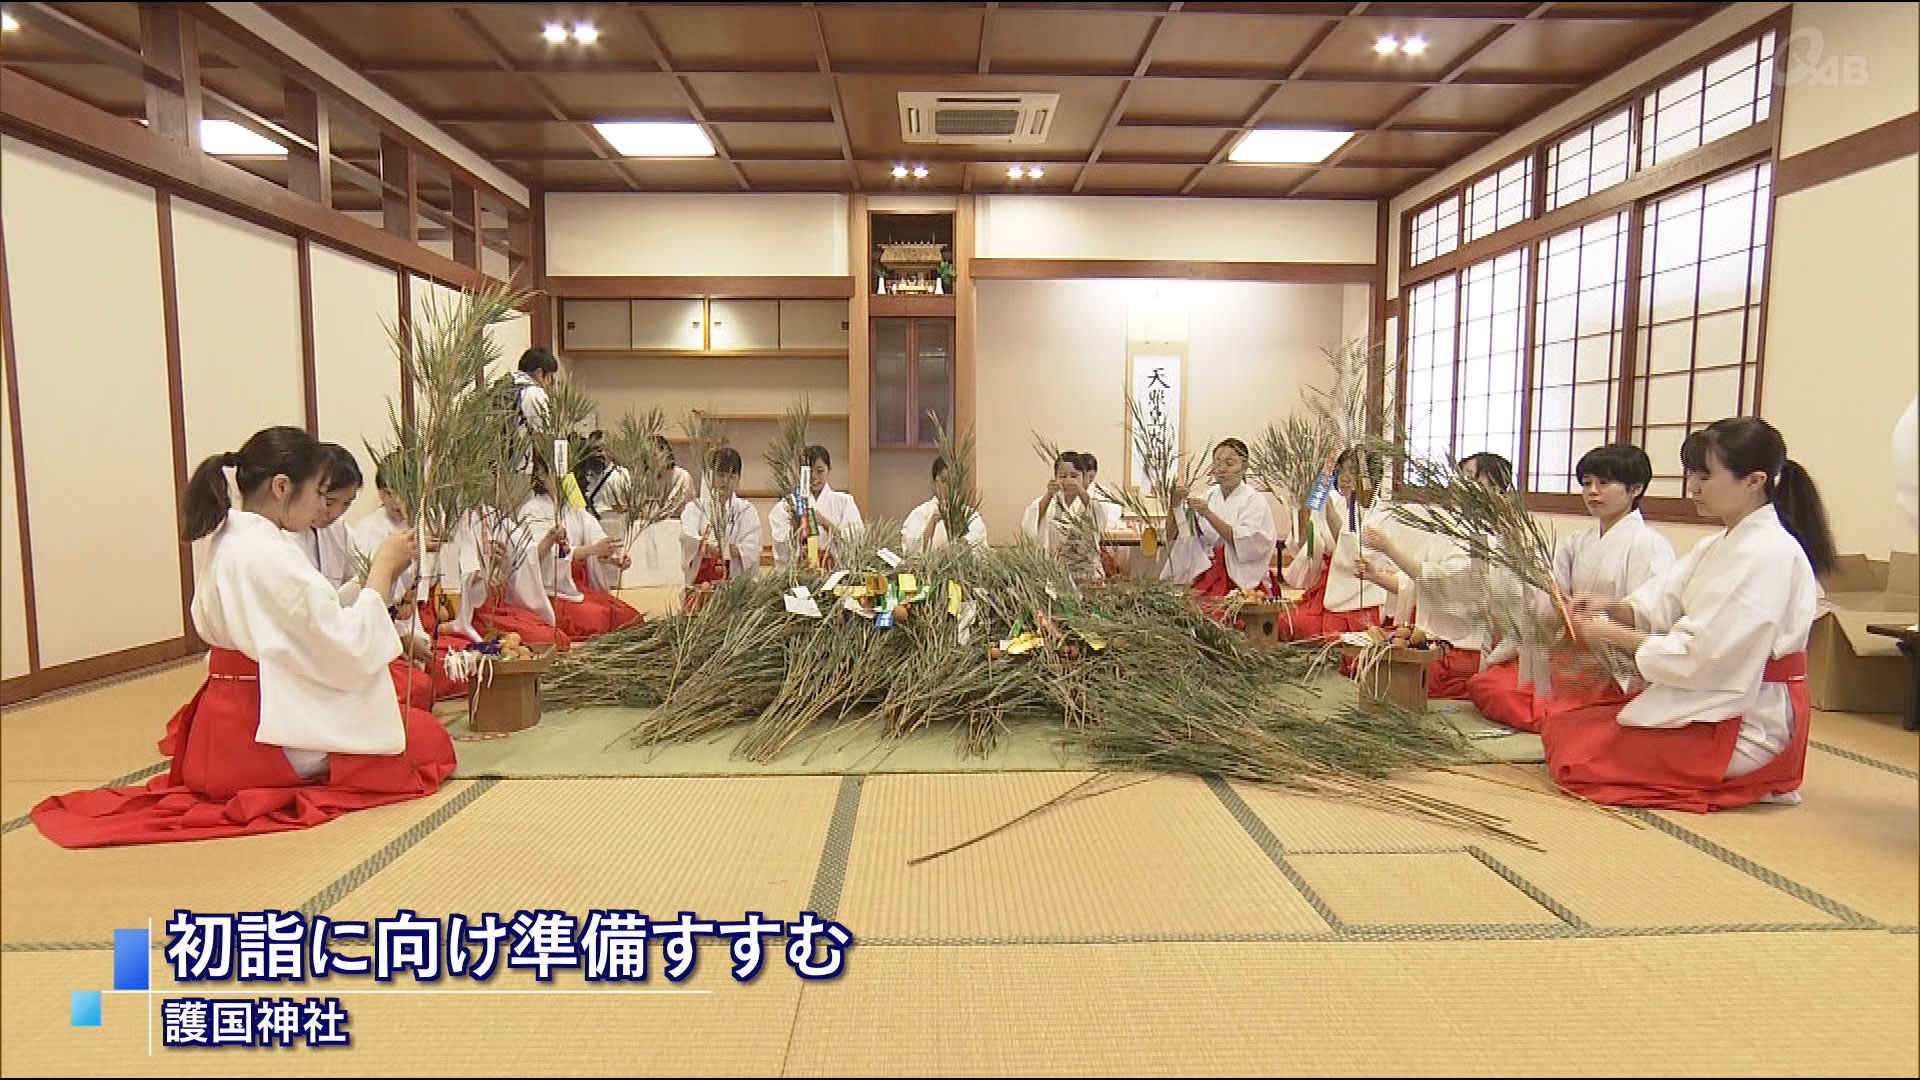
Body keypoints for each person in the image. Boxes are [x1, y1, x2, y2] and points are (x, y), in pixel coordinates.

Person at [30, 427, 455, 848]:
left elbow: (308, 618)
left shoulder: (237, 537)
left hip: (228, 722)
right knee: (425, 741)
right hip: (264, 730)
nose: (321, 508)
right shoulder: (267, 554)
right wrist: (382, 570)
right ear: (282, 487)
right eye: (318, 493)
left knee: (409, 716)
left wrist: (372, 581)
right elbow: (345, 648)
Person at [1541, 417, 1836, 811]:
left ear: (1754, 481)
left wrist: (1609, 635)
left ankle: (1763, 773)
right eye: (1691, 475)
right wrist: (1611, 607)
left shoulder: (1767, 553)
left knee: (1580, 761)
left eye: (1704, 476)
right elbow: (1663, 601)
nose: (1692, 488)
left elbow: (1704, 654)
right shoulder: (1721, 544)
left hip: (1746, 716)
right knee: (1566, 728)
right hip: (1713, 691)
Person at [1466, 444, 1675, 732]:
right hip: (1573, 654)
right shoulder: (1577, 541)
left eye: (1604, 483)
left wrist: (1601, 625)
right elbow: (1548, 591)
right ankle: (1571, 718)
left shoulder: (1650, 545)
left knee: (1548, 710)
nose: (1592, 491)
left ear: (1635, 489)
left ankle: (1583, 717)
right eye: (1587, 483)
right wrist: (1516, 548)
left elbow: (1652, 616)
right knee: (1488, 685)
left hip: (1615, 664)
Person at [1358, 452, 1514, 699]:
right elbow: (1414, 582)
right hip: (1429, 638)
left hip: (1459, 646)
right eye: (1461, 478)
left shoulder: (1487, 540)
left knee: (1392, 681)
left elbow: (1438, 579)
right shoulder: (1452, 529)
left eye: (1472, 479)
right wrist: (1375, 575)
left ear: (1495, 489)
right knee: (1369, 661)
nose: (1460, 485)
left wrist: (1389, 548)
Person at [351, 454, 467, 704]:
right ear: (380, 493)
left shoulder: (424, 523)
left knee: (463, 663)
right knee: (421, 686)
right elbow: (370, 597)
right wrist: (403, 638)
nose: (398, 500)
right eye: (390, 492)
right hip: (386, 630)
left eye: (404, 492)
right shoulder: (366, 532)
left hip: (417, 621)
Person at [1278, 447, 1391, 639]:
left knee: (1325, 635)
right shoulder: (1335, 502)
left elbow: (1354, 554)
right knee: (1286, 622)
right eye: (1342, 471)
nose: (1345, 478)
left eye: (1353, 472)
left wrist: (1329, 512)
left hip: (1358, 596)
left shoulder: (1381, 514)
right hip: (1327, 587)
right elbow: (1306, 546)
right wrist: (1301, 511)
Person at [1162, 438, 1278, 597]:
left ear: (1244, 467)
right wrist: (1174, 505)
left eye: (1229, 463)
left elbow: (1248, 542)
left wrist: (1208, 514)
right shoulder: (1209, 496)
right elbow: (1176, 535)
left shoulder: (1254, 500)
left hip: (1237, 576)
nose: (1222, 469)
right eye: (1217, 463)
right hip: (1207, 570)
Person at [769, 445, 864, 571]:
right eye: (809, 472)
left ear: (828, 470)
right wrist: (796, 529)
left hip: (833, 572)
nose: (814, 477)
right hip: (800, 572)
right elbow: (780, 543)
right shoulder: (788, 504)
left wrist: (825, 523)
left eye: (820, 471)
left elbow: (855, 541)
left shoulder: (844, 502)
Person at [681, 448, 763, 584]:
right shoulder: (696, 507)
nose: (725, 481)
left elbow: (753, 545)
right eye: (720, 475)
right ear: (711, 476)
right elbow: (687, 536)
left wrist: (736, 550)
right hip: (702, 579)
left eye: (731, 477)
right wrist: (705, 546)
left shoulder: (746, 510)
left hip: (734, 578)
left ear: (738, 479)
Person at [902, 456, 988, 554]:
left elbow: (979, 552)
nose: (949, 486)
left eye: (954, 481)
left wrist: (959, 528)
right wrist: (932, 522)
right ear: (934, 482)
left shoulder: (971, 516)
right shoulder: (919, 514)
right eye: (944, 480)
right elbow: (911, 553)